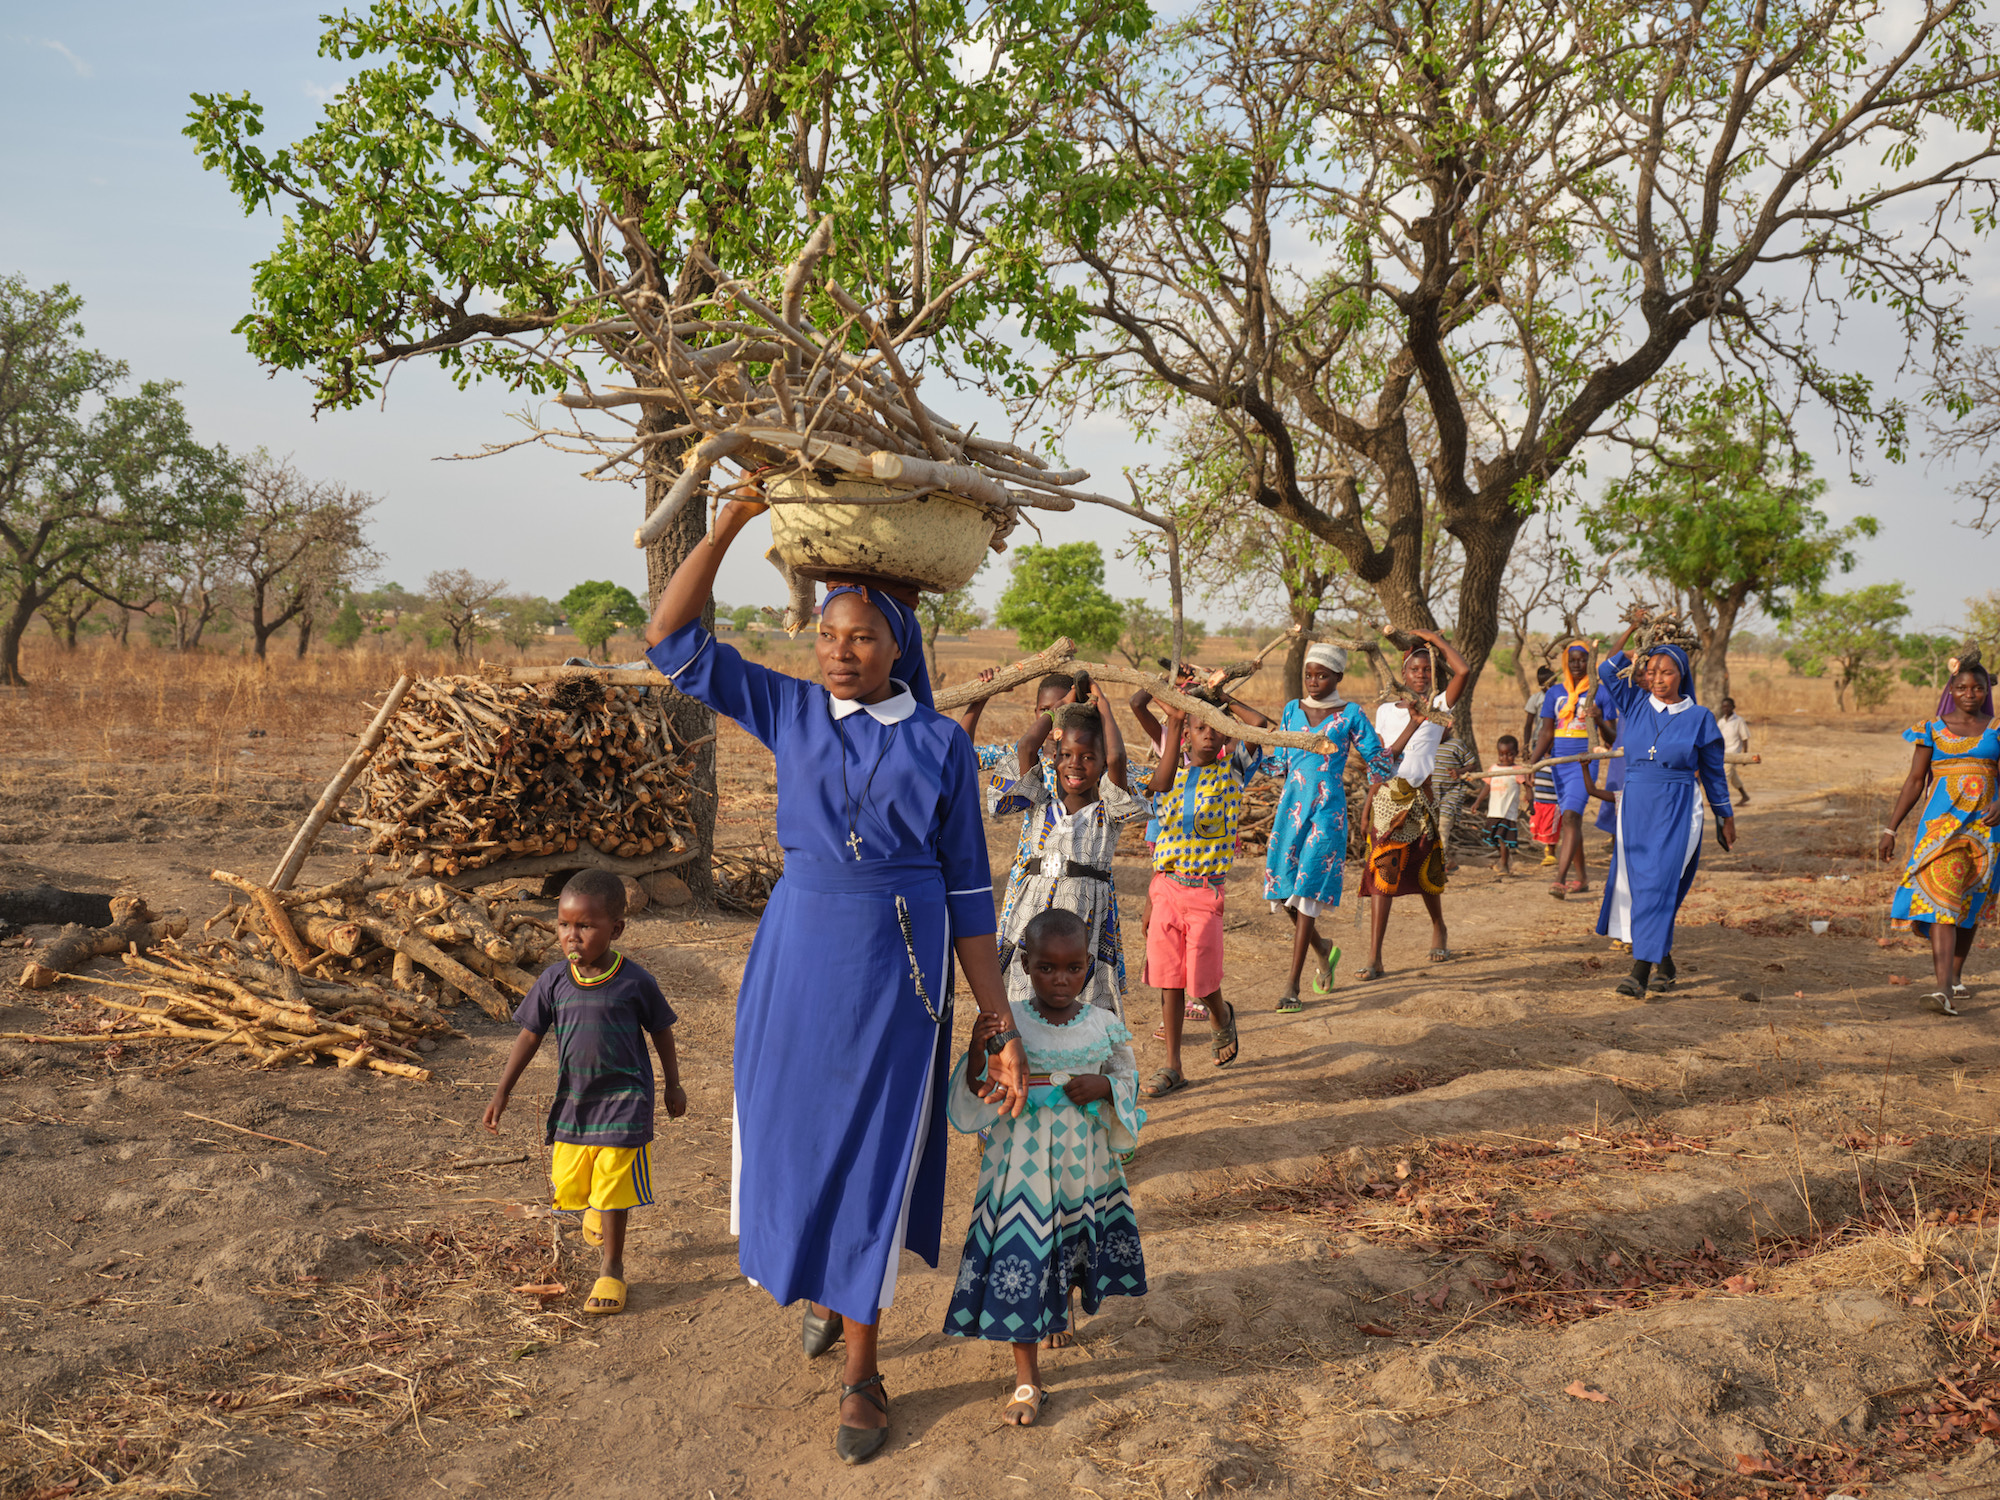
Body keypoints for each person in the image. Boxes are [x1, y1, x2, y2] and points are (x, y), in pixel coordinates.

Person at [641, 494, 1029, 1465]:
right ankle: (818, 1286)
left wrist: (996, 1017)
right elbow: (669, 639)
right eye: (826, 636)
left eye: (859, 638)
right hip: (796, 951)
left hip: (898, 970)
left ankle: (862, 1369)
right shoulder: (792, 709)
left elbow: (971, 893)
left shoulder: (940, 746)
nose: (838, 653)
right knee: (789, 1131)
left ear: (897, 647)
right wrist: (726, 524)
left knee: (871, 1154)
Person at [946, 909, 1147, 1425]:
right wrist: (976, 1048)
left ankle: (1061, 1313)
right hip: (1022, 1178)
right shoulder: (1008, 1022)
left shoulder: (1105, 1025)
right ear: (1027, 966)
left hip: (1083, 1172)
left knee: (1071, 1251)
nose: (1061, 979)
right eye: (1047, 969)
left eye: (1074, 968)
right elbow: (979, 1091)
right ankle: (1026, 1379)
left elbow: (1128, 1080)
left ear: (1090, 968)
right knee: (1025, 1261)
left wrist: (1103, 1087)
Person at [482, 870, 686, 1317]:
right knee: (571, 1185)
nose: (571, 936)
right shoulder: (553, 981)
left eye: (585, 927)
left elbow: (662, 1031)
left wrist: (673, 1084)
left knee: (614, 1188)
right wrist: (503, 1093)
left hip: (626, 1100)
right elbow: (530, 1037)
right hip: (574, 1102)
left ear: (616, 930)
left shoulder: (635, 982)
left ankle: (611, 1268)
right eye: (564, 925)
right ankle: (594, 1209)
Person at [1593, 621, 1737, 998]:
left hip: (1678, 805)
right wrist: (1632, 641)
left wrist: (1726, 817)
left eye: (1667, 671)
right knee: (1642, 885)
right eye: (1652, 671)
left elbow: (1713, 773)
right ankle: (1665, 964)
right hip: (1636, 803)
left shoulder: (1700, 717)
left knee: (1660, 883)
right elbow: (1606, 669)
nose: (1658, 678)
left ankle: (1639, 971)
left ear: (1682, 675)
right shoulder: (1635, 703)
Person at [988, 686, 1147, 1024]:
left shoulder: (1109, 806)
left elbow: (1118, 759)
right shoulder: (1041, 796)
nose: (1075, 765)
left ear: (1102, 762)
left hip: (1085, 912)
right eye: (1066, 755)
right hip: (1034, 904)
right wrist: (1056, 710)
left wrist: (1106, 710)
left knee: (1083, 998)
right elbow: (1027, 747)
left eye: (1089, 757)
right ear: (1056, 755)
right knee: (1025, 991)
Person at [1143, 680, 1270, 1096]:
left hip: (1205, 892)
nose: (1209, 733)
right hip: (1165, 886)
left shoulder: (1232, 773)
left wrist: (1223, 700)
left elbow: (1262, 725)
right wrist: (1176, 689)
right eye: (1200, 727)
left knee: (1201, 981)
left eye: (1216, 727)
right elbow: (1136, 700)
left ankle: (1221, 1012)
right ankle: (1173, 1066)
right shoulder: (1169, 772)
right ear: (1185, 733)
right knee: (1170, 980)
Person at [1261, 643, 1393, 1011]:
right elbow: (1281, 763)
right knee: (1281, 890)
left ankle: (1292, 985)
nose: (1314, 681)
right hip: (1290, 811)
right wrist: (1249, 742)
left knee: (1306, 890)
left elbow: (1377, 762)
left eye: (1322, 675)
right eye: (1309, 674)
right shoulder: (1291, 710)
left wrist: (1399, 742)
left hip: (1327, 815)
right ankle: (1323, 948)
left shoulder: (1351, 714)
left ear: (1338, 677)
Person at [1879, 652, 2000, 1015]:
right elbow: (1915, 781)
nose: (1969, 693)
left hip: (1985, 830)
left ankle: (1956, 976)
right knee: (1941, 901)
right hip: (1939, 828)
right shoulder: (1930, 728)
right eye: (1962, 687)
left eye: (1977, 688)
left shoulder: (1997, 729)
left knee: (1969, 902)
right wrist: (1890, 828)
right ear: (1951, 689)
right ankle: (1943, 989)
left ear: (1986, 692)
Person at [1360, 631, 1473, 979]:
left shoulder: (1439, 707)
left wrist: (1432, 640)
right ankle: (1375, 957)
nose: (1421, 675)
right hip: (1387, 800)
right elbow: (1380, 762)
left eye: (1427, 670)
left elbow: (1464, 671)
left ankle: (1439, 926)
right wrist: (1367, 806)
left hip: (1421, 800)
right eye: (1415, 670)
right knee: (1385, 872)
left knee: (1427, 873)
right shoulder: (1384, 711)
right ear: (1403, 674)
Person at [964, 669, 1097, 936]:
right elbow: (960, 754)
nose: (1054, 716)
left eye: (1063, 707)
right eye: (1046, 710)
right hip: (1029, 881)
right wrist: (979, 699)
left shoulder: (1095, 764)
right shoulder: (1022, 754)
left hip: (1082, 886)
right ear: (1036, 713)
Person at [1534, 640, 1600, 899]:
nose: (1577, 664)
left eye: (1582, 659)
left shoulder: (1598, 692)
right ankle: (1582, 878)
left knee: (1571, 817)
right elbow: (1546, 732)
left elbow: (1612, 734)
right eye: (1572, 660)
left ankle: (1560, 879)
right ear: (1566, 662)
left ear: (1589, 661)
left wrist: (1598, 717)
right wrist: (1533, 764)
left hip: (1585, 764)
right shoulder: (1554, 693)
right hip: (1559, 765)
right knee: (1571, 819)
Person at [1480, 734, 1524, 877]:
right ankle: (1503, 858)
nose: (1505, 758)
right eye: (1502, 755)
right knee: (1493, 839)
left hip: (1507, 813)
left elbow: (1527, 786)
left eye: (1510, 755)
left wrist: (1530, 799)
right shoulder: (1493, 769)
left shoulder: (1518, 770)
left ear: (1516, 754)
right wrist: (1477, 802)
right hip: (1494, 812)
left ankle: (1504, 865)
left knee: (1502, 838)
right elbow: (1487, 787)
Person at [1716, 697, 1752, 807]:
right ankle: (1744, 795)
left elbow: (1745, 738)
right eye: (1724, 707)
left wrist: (1744, 756)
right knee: (1733, 777)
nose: (1725, 709)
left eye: (1728, 706)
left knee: (1724, 776)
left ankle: (1721, 800)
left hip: (1734, 753)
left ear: (1733, 707)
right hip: (1723, 754)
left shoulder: (1739, 721)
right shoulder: (1721, 721)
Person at [1529, 760, 1561, 865]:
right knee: (1536, 826)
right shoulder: (1538, 760)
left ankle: (1551, 854)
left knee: (1549, 828)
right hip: (1538, 801)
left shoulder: (1558, 761)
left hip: (1552, 802)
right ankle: (1548, 847)